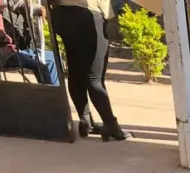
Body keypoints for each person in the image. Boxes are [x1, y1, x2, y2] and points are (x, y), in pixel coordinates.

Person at [51, 0, 131, 140]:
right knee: (95, 77)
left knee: (75, 68)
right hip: (88, 13)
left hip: (61, 12)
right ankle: (110, 125)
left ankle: (85, 120)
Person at [0, 0, 59, 85]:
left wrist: (39, 9)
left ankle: (53, 93)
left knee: (52, 57)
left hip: (7, 51)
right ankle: (50, 96)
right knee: (42, 65)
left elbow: (17, 4)